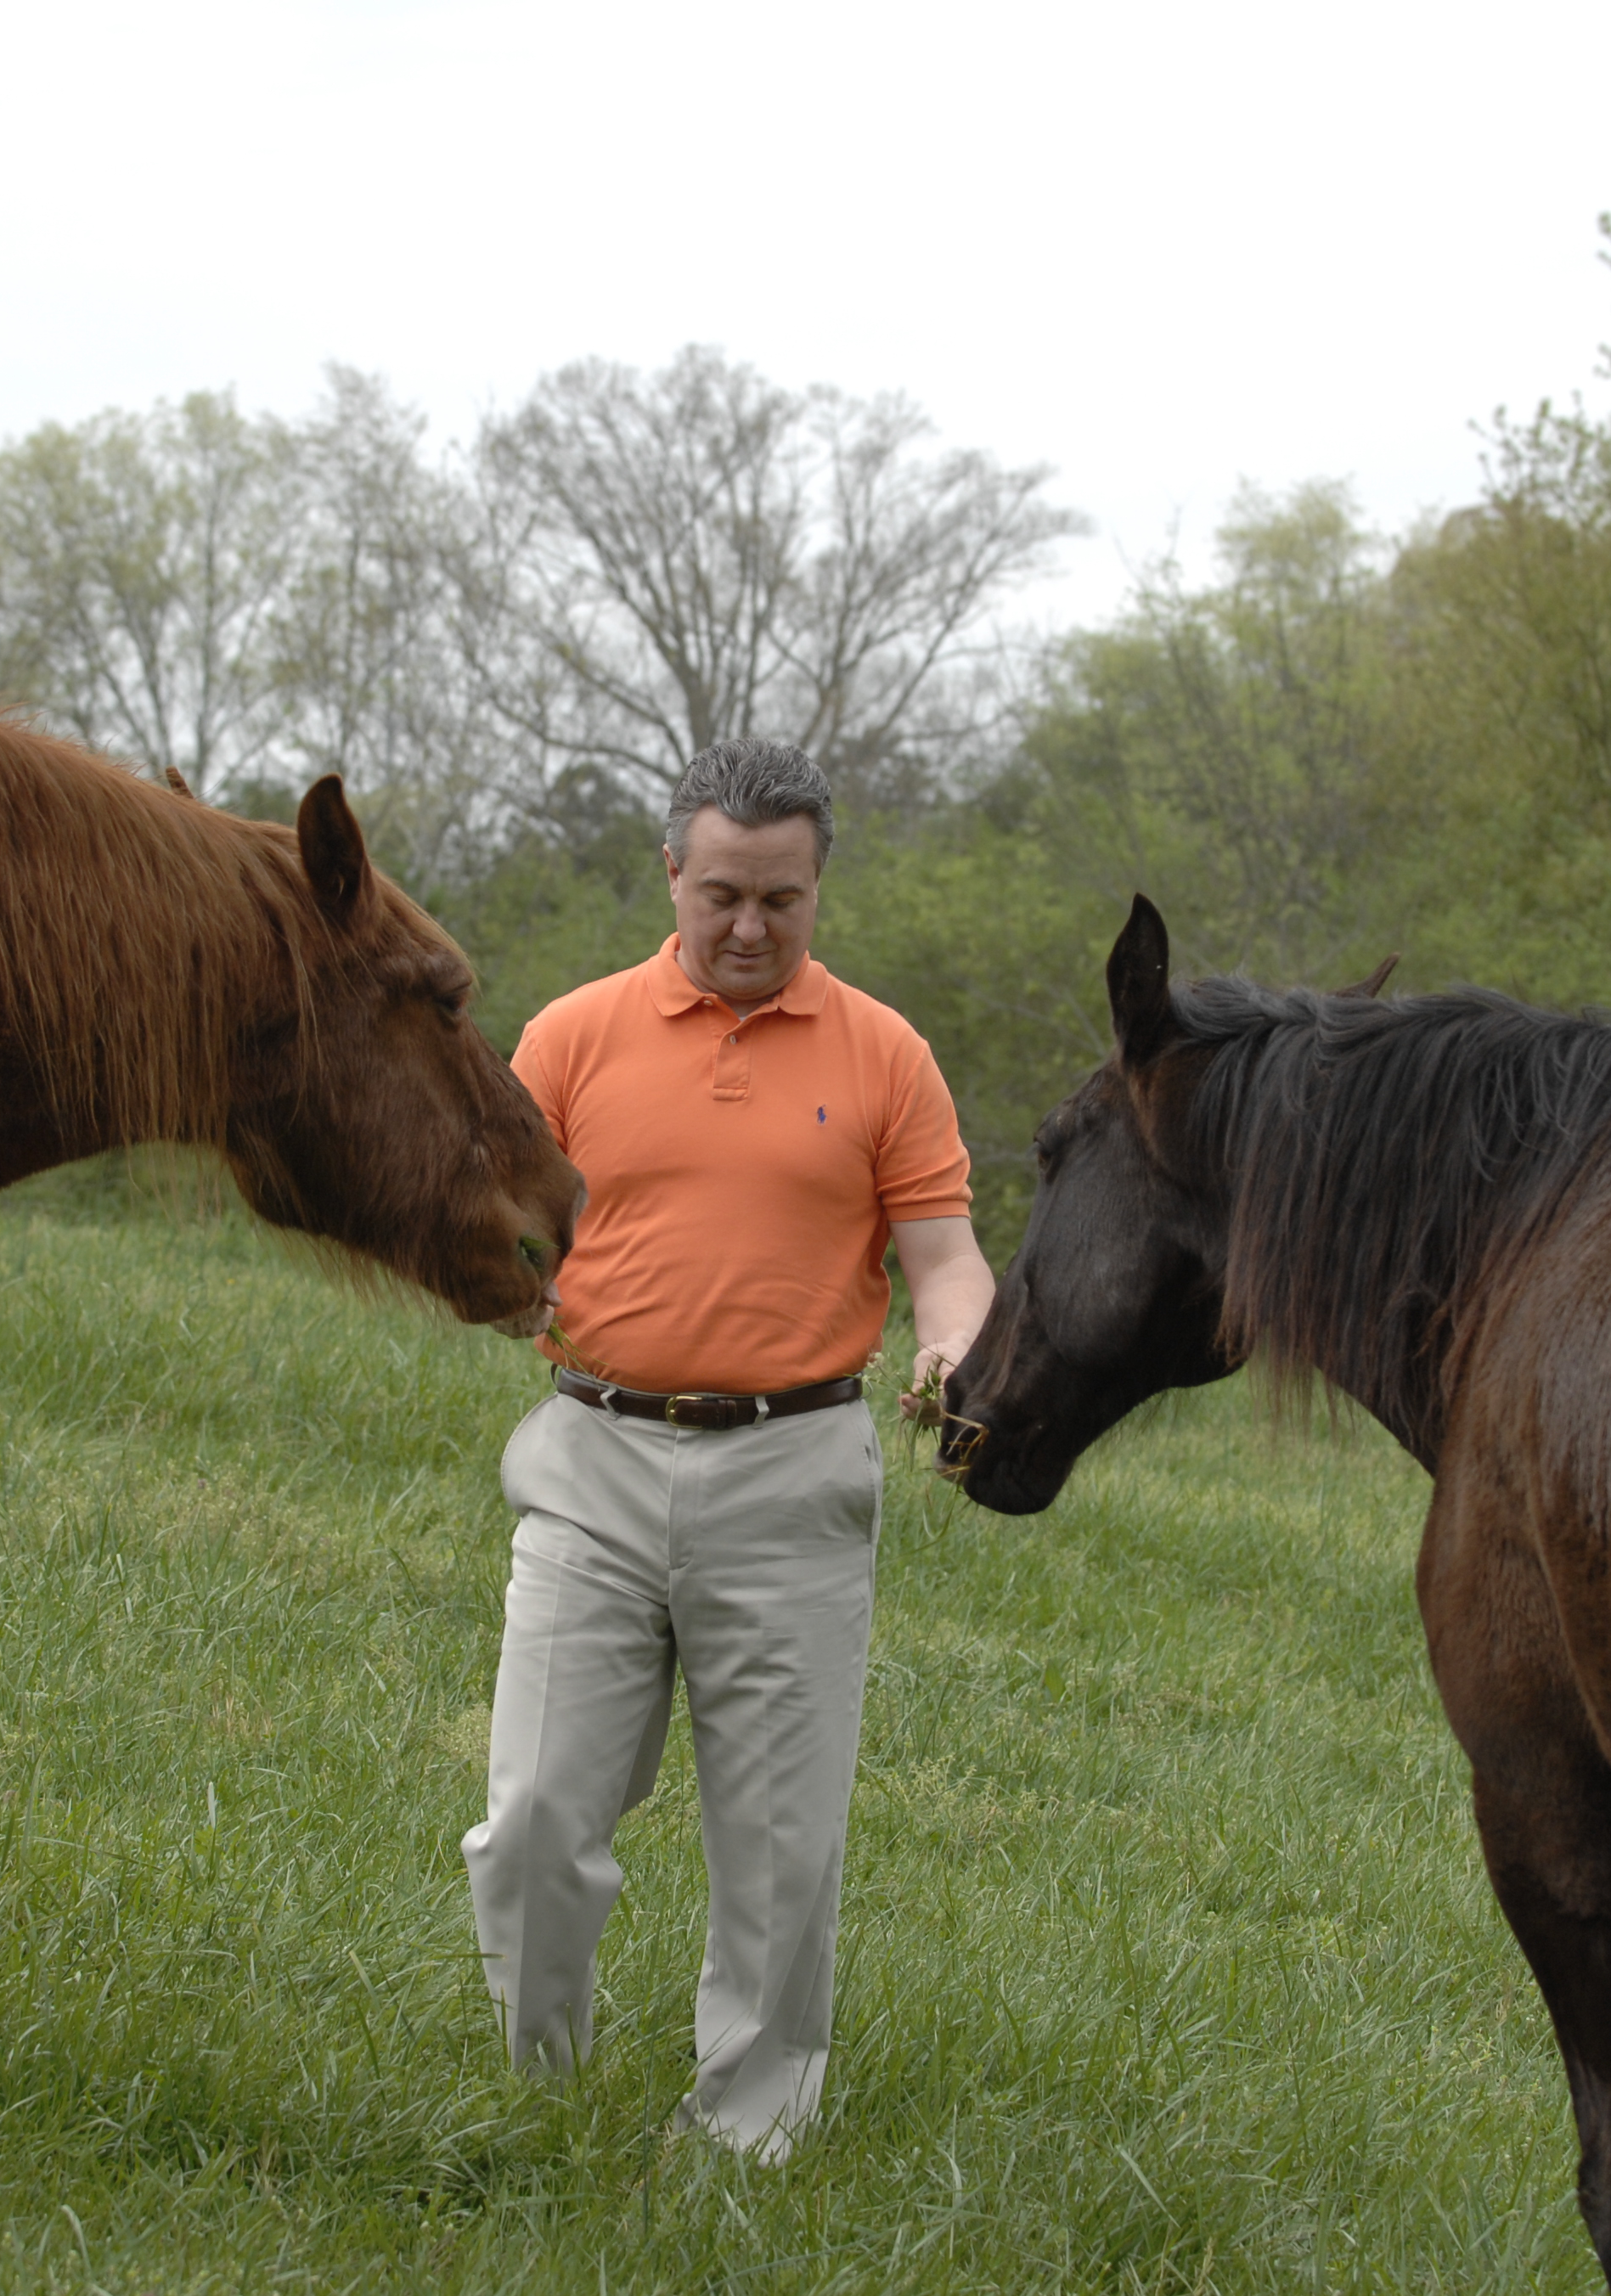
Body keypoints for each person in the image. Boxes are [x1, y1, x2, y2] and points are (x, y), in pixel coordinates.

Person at [461, 736, 994, 2163]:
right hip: (590, 1464)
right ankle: (539, 2096)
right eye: (722, 896)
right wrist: (525, 1287)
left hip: (795, 1472)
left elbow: (946, 1259)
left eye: (782, 900)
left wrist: (951, 1352)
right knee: (532, 1818)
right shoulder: (569, 1037)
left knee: (780, 1855)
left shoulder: (888, 1055)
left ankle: (748, 2137)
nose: (749, 928)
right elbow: (502, 1222)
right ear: (672, 876)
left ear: (819, 888)